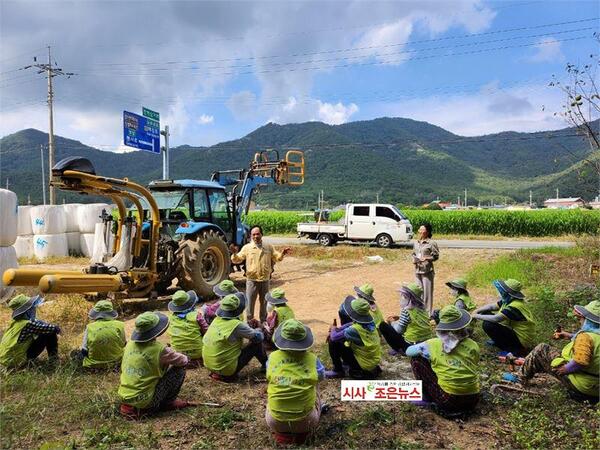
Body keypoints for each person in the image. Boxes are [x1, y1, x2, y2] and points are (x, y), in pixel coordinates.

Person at [503, 300, 599, 404]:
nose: (580, 321)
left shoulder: (585, 337)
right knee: (551, 354)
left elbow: (580, 361)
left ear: (588, 321)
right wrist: (568, 335)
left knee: (542, 349)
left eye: (581, 318)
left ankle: (520, 377)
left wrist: (564, 369)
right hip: (596, 385)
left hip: (583, 385)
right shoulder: (594, 335)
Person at [406, 305, 480, 416]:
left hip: (448, 401)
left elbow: (408, 351)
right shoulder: (473, 345)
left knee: (416, 359)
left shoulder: (434, 344)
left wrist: (422, 349)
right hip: (473, 399)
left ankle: (426, 398)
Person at [118, 311, 194, 418]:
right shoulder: (160, 350)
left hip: (125, 396)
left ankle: (129, 407)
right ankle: (168, 402)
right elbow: (183, 361)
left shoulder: (129, 345)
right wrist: (172, 352)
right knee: (180, 369)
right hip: (147, 401)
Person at [266, 319, 325, 445]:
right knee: (314, 382)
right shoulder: (312, 359)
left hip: (275, 421)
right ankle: (317, 410)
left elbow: (268, 374)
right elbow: (321, 376)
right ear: (304, 341)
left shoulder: (272, 357)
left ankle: (281, 428)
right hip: (306, 422)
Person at [230, 226, 292, 322]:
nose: (256, 236)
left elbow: (277, 258)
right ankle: (250, 322)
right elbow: (237, 259)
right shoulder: (247, 248)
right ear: (250, 236)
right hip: (252, 281)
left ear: (262, 234)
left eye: (257, 234)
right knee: (250, 303)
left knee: (264, 303)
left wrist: (283, 253)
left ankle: (263, 322)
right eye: (253, 234)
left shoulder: (268, 247)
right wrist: (234, 253)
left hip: (265, 280)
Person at [202, 293, 268, 381]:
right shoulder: (237, 325)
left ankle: (218, 372)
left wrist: (247, 326)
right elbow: (258, 337)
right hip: (227, 370)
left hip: (210, 365)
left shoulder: (216, 320)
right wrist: (258, 328)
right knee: (256, 343)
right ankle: (266, 366)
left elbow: (234, 328)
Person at [472, 279, 536, 357]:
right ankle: (499, 341)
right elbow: (492, 306)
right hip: (513, 331)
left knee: (488, 324)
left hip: (521, 339)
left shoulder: (515, 306)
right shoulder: (508, 300)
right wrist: (477, 310)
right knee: (486, 313)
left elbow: (496, 319)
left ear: (507, 293)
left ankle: (513, 349)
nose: (499, 292)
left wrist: (476, 316)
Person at [325, 296, 382, 379]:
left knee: (333, 342)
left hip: (364, 365)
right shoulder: (370, 322)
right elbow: (349, 325)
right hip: (372, 361)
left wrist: (333, 329)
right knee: (342, 339)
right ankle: (346, 364)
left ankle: (338, 370)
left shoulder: (354, 330)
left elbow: (334, 337)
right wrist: (336, 329)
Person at [0, 294, 60, 369]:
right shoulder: (27, 324)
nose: (34, 308)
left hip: (5, 360)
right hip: (15, 362)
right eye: (32, 307)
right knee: (49, 333)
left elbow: (36, 322)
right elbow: (50, 328)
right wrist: (57, 328)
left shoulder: (16, 322)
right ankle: (53, 362)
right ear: (27, 310)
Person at [379, 283, 433, 354]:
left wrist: (392, 322)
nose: (402, 298)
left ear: (410, 298)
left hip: (412, 345)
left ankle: (398, 349)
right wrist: (400, 318)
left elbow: (399, 330)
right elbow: (416, 321)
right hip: (427, 342)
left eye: (404, 297)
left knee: (383, 325)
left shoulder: (406, 310)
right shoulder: (423, 308)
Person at [71, 300, 126, 369]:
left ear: (95, 313)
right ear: (111, 312)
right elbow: (123, 344)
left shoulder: (89, 327)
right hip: (116, 363)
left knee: (74, 353)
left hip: (93, 365)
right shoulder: (120, 325)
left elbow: (84, 350)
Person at [167, 290, 207, 368]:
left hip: (178, 353)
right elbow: (207, 332)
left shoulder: (171, 318)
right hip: (198, 352)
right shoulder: (197, 316)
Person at [412, 223, 439, 314]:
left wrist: (427, 258)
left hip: (427, 271)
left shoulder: (431, 243)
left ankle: (428, 314)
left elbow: (436, 256)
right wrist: (414, 259)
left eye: (422, 230)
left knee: (427, 294)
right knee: (418, 292)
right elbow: (414, 253)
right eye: (419, 230)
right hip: (417, 270)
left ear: (427, 232)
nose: (420, 231)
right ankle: (419, 312)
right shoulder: (416, 242)